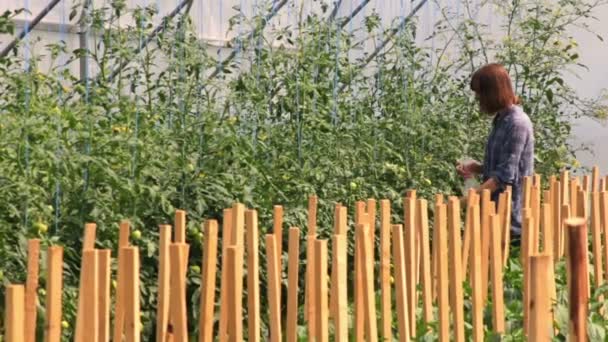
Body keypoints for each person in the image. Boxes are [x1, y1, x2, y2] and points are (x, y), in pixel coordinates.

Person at [456, 63, 534, 244]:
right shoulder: (501, 119)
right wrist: (478, 168)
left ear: (492, 93)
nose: (478, 100)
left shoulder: (517, 124)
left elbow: (505, 176)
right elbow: (504, 166)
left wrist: (468, 199)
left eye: (480, 94)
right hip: (494, 213)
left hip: (509, 220)